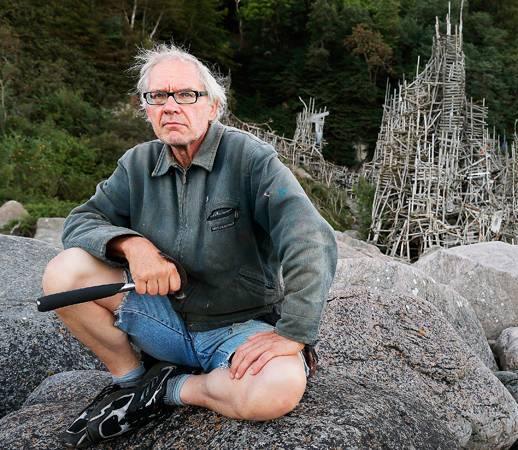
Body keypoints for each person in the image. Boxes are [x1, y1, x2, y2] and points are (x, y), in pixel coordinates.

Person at [41, 44, 337, 448]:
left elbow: (309, 238)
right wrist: (133, 246)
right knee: (64, 273)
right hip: (163, 321)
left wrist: (294, 333)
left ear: (213, 106)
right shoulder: (137, 164)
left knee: (278, 389)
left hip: (239, 329)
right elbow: (81, 221)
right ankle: (131, 382)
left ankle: (167, 391)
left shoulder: (250, 159)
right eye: (157, 97)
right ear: (146, 109)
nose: (170, 106)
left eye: (186, 95)